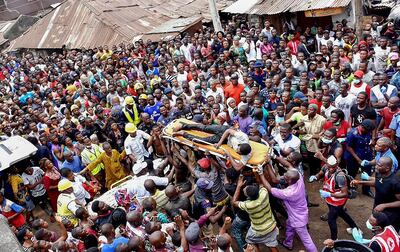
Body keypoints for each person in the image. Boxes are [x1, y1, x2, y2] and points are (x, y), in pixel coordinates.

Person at [259, 163, 317, 252]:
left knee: (307, 241)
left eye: (285, 177)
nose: (283, 176)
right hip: (297, 214)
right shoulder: (299, 178)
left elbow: (270, 189)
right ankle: (288, 243)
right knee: (289, 224)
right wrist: (269, 163)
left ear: (289, 181)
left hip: (298, 220)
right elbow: (289, 166)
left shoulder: (288, 193)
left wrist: (261, 174)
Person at [309, 156, 359, 240]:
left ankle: (334, 240)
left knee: (331, 220)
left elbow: (345, 194)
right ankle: (355, 228)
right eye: (329, 167)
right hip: (330, 198)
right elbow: (321, 173)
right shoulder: (326, 167)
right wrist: (316, 177)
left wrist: (329, 194)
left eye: (333, 167)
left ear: (337, 165)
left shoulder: (340, 176)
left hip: (338, 200)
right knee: (341, 213)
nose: (331, 169)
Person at [351, 156, 400, 230]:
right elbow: (377, 183)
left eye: (379, 165)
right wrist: (359, 182)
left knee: (388, 232)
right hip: (378, 208)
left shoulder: (395, 183)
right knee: (377, 229)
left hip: (390, 214)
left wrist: (384, 205)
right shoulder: (379, 173)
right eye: (376, 164)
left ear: (387, 168)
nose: (376, 167)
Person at [232, 175, 278, 252]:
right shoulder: (264, 194)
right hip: (271, 225)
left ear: (248, 198)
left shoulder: (248, 205)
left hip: (259, 230)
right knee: (271, 243)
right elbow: (261, 184)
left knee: (249, 240)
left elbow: (234, 202)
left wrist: (239, 186)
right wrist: (257, 173)